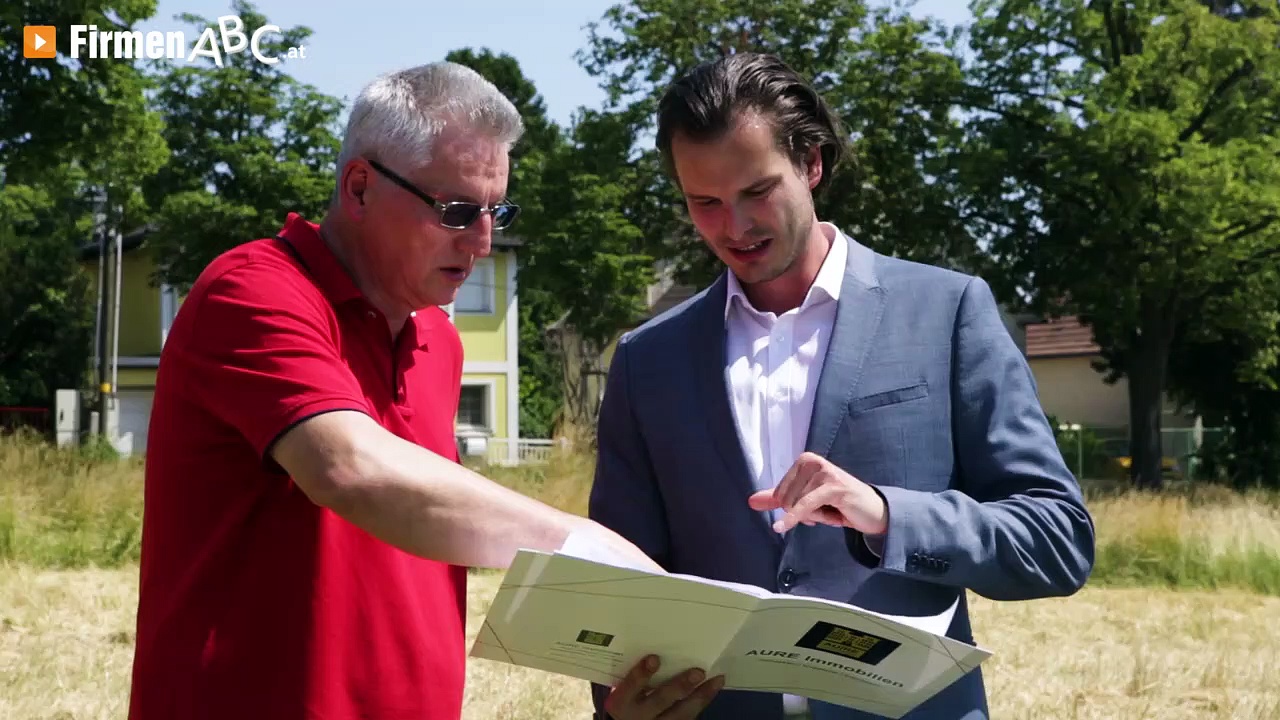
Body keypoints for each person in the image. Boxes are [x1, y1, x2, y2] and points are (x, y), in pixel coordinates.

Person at [126, 61, 661, 720]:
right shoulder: (253, 292)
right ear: (359, 187)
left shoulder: (439, 339)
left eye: (495, 211)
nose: (483, 242)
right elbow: (347, 468)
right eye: (457, 211)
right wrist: (579, 544)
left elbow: (428, 521)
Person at [588, 52, 1096, 720]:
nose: (734, 226)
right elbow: (619, 580)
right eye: (704, 203)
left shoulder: (948, 313)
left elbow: (1057, 540)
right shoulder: (646, 360)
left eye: (757, 191)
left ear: (812, 163)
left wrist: (887, 516)